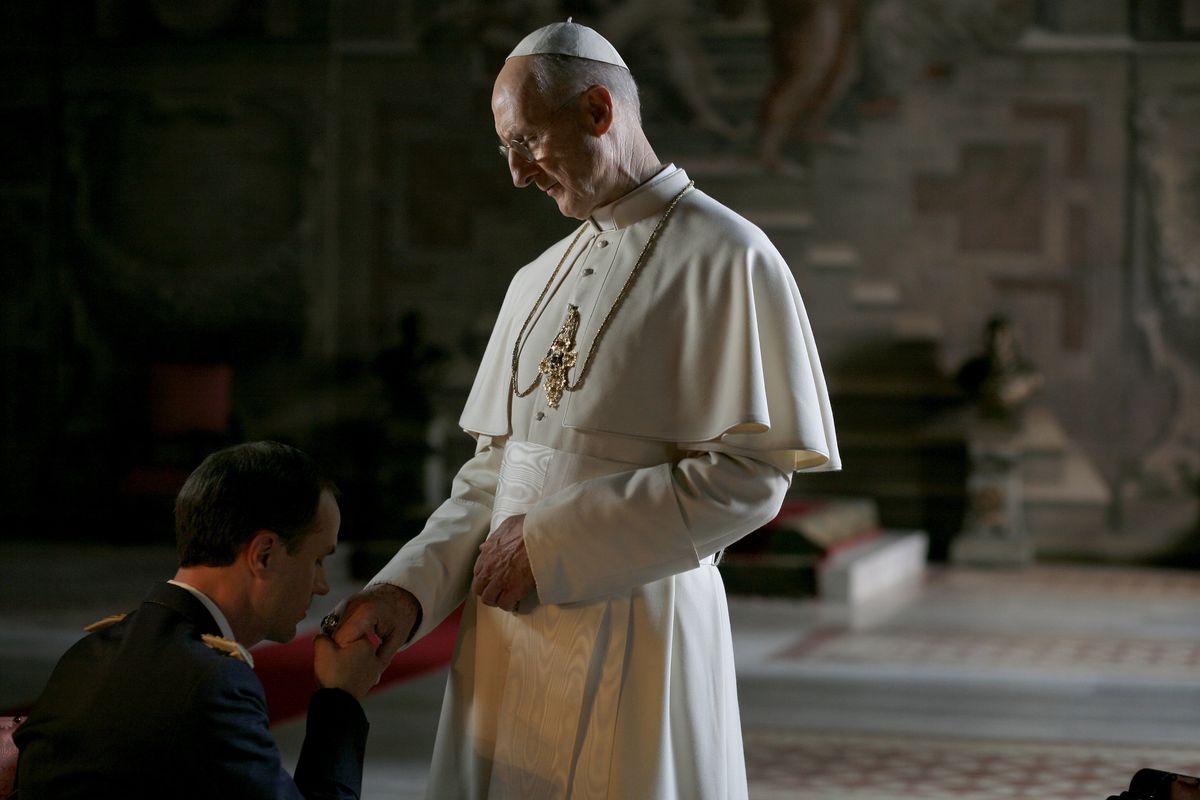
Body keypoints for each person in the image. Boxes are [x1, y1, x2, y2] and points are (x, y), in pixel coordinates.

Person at [331, 19, 840, 799]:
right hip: (506, 641)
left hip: (635, 631)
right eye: (506, 148)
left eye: (527, 141)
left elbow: (748, 479)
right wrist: (407, 589)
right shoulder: (535, 277)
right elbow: (494, 474)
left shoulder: (729, 258)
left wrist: (552, 540)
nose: (516, 173)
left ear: (599, 111)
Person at [13, 441, 387, 799]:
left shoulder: (87, 655)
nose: (322, 586)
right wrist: (342, 699)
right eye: (318, 560)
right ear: (265, 554)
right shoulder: (212, 684)